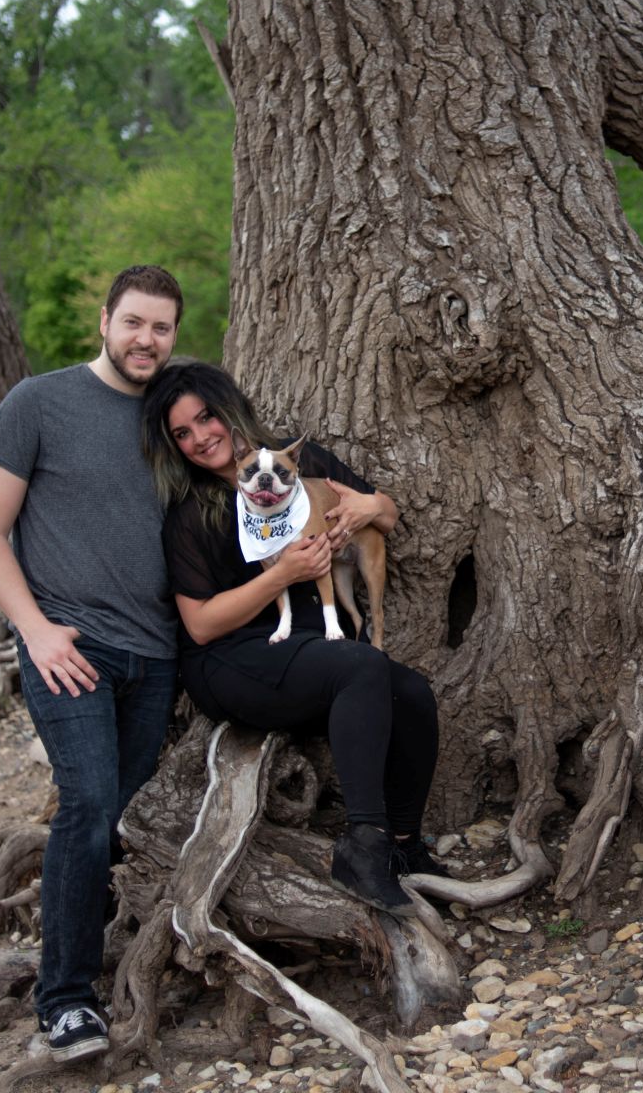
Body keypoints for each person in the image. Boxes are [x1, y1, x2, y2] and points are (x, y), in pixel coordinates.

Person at [0, 265, 183, 1063]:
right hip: (70, 648)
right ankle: (65, 1001)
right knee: (88, 805)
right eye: (134, 322)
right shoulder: (38, 403)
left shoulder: (174, 414)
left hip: (157, 658)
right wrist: (36, 632)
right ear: (105, 320)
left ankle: (118, 950)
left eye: (161, 327)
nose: (145, 339)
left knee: (121, 817)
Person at [140, 359, 443, 916]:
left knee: (414, 694)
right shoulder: (192, 513)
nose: (200, 438)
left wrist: (372, 505)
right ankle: (363, 849)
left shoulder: (293, 463)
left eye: (206, 418)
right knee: (360, 667)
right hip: (234, 658)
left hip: (315, 644)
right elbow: (201, 624)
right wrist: (283, 574)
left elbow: (384, 514)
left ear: (228, 410)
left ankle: (405, 848)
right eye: (181, 433)